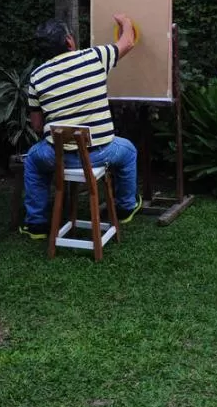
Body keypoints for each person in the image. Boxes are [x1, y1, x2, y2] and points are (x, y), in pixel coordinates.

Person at [20, 15, 141, 239]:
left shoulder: (37, 77)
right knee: (128, 151)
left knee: (33, 161)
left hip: (58, 156)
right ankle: (125, 207)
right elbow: (128, 42)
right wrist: (125, 21)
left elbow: (37, 126)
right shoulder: (94, 57)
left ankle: (36, 224)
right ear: (69, 41)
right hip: (101, 154)